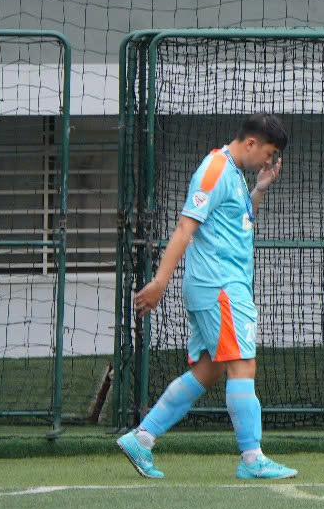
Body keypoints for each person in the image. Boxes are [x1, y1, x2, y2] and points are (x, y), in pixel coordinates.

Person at [116, 112, 298, 482]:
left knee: (209, 370)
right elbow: (186, 226)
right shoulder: (214, 169)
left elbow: (237, 223)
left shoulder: (232, 173)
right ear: (251, 143)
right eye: (269, 152)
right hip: (220, 288)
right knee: (243, 365)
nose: (270, 161)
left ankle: (142, 437)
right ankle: (252, 457)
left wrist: (259, 189)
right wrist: (159, 281)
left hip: (220, 287)